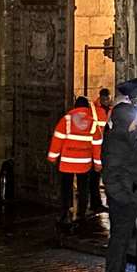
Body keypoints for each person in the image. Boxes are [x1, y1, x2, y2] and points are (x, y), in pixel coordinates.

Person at [100, 102, 137, 272]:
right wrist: (127, 196)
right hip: (124, 202)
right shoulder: (117, 140)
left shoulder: (124, 137)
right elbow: (112, 174)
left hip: (129, 200)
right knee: (118, 243)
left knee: (123, 242)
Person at [48, 97, 103, 228]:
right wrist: (97, 163)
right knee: (83, 189)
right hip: (84, 163)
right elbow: (97, 145)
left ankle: (64, 214)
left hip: (67, 162)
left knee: (66, 189)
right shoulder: (93, 124)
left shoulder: (66, 120)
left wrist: (52, 156)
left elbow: (57, 139)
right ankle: (81, 214)